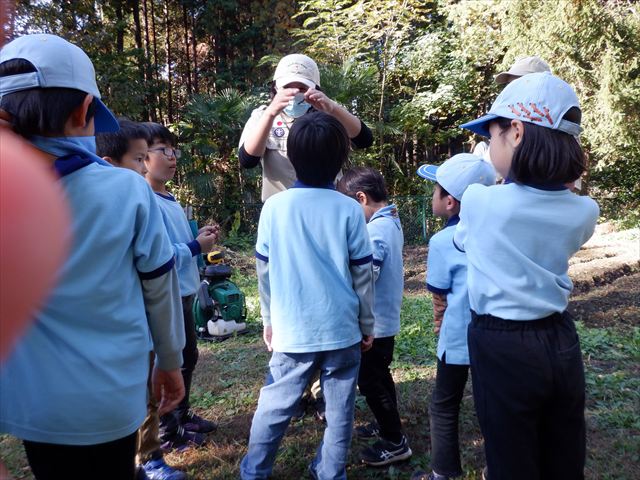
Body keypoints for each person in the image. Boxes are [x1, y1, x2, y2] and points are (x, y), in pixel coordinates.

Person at [0, 34, 186, 479]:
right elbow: (159, 287)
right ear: (85, 111)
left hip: (31, 404)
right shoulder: (125, 189)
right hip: (108, 399)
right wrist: (170, 361)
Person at [456, 72, 599, 480]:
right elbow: (560, 195)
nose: (488, 146)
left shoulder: (481, 201)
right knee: (563, 449)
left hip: (501, 342)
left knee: (510, 455)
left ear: (516, 132)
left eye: (492, 136)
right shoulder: (585, 212)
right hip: (559, 338)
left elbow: (466, 241)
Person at [240, 111, 375, 480]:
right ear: (341, 160)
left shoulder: (274, 208)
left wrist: (268, 321)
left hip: (292, 329)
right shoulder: (350, 209)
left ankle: (254, 471)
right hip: (342, 328)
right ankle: (331, 472)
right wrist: (367, 323)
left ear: (292, 157)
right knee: (340, 409)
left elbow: (263, 271)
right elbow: (362, 274)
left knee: (275, 406)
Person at [97, 120, 186, 480]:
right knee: (137, 394)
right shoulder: (122, 203)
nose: (143, 167)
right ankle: (146, 458)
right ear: (107, 162)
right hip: (125, 330)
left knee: (145, 392)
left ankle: (147, 456)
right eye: (138, 159)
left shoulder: (145, 202)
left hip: (140, 326)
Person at [411, 154, 496, 480]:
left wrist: (438, 327)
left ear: (449, 202)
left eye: (435, 190)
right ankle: (497, 467)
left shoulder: (443, 241)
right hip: (495, 336)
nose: (432, 195)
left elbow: (440, 298)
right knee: (493, 406)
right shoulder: (496, 233)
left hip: (458, 338)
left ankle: (444, 472)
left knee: (444, 404)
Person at [143, 123, 219, 452]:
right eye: (164, 150)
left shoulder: (169, 199)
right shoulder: (146, 203)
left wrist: (198, 238)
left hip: (184, 292)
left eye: (174, 151)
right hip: (165, 297)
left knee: (188, 355)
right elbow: (159, 257)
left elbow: (180, 244)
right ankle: (168, 430)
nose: (172, 157)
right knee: (168, 361)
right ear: (141, 158)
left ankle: (182, 414)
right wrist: (195, 247)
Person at [336, 167, 412, 466]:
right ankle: (387, 426)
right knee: (381, 376)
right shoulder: (390, 220)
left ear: (361, 198)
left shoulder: (376, 230)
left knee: (370, 382)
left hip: (375, 323)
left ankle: (395, 441)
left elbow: (368, 274)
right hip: (384, 320)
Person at [238, 53, 374, 202]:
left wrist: (333, 109)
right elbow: (247, 161)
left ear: (315, 88)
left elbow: (364, 140)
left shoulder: (329, 113)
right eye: (287, 87)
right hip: (282, 209)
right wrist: (270, 114)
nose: (294, 93)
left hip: (328, 205)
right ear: (276, 87)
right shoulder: (262, 116)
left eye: (302, 88)